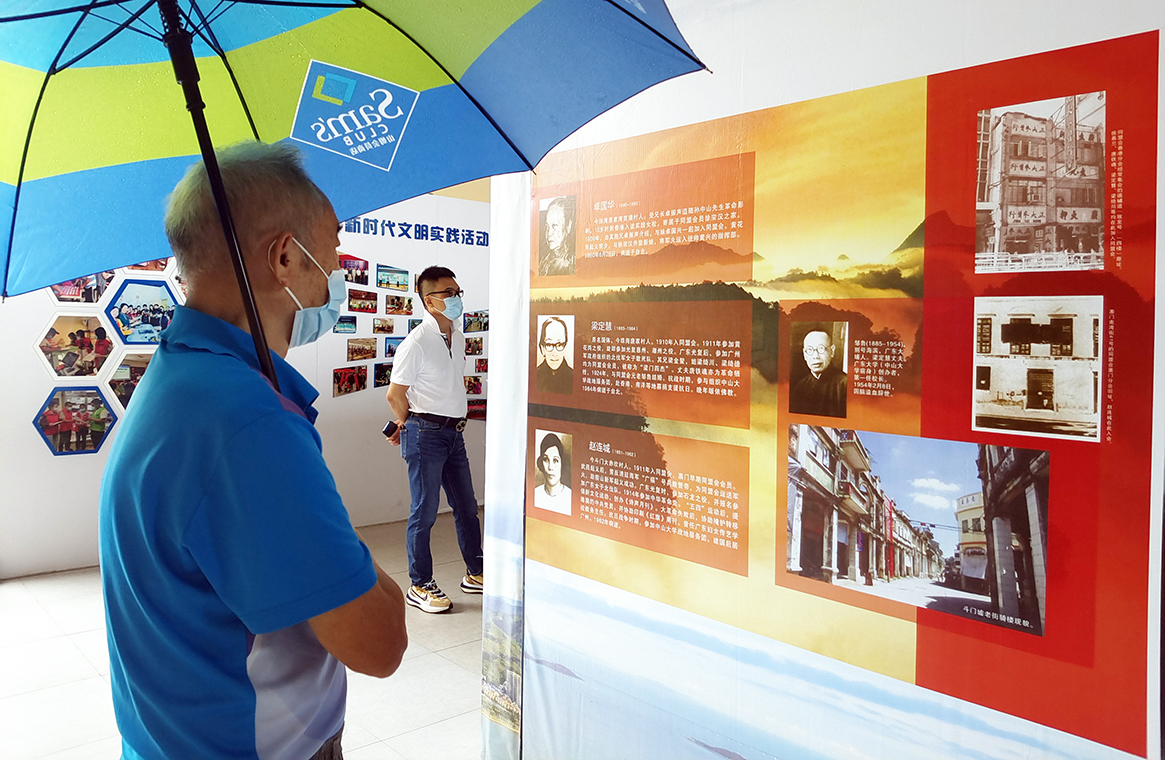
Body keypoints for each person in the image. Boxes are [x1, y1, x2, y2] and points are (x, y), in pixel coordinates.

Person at [99, 141, 407, 760]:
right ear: (285, 257)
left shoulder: (183, 377)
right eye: (334, 247)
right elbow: (379, 644)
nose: (340, 270)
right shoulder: (245, 421)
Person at [385, 266, 485, 614]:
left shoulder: (457, 336)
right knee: (425, 511)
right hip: (425, 434)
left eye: (458, 292)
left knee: (467, 507)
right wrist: (406, 423)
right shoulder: (416, 343)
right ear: (429, 301)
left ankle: (476, 572)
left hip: (454, 434)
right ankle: (419, 584)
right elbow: (395, 394)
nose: (457, 298)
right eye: (449, 293)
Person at [789, 327, 847, 418]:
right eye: (810, 350)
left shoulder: (845, 384)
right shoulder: (800, 386)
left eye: (821, 349)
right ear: (804, 354)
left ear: (832, 351)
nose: (815, 356)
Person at [533, 433, 572, 515]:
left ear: (561, 463)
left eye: (555, 460)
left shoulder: (570, 496)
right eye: (546, 459)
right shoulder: (535, 494)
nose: (550, 467)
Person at [535, 316, 573, 394]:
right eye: (549, 344)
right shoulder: (534, 376)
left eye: (559, 345)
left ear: (565, 347)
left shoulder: (574, 377)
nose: (554, 353)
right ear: (542, 348)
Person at [539, 196, 575, 276]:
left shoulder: (574, 262)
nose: (549, 233)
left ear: (568, 226)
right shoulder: (543, 263)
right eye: (547, 227)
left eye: (554, 226)